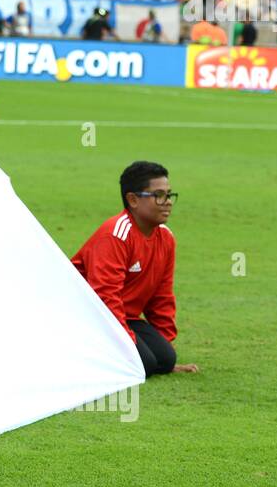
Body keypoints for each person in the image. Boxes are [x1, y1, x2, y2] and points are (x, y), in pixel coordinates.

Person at [71, 161, 199, 377]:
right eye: (158, 195)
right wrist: (130, 347)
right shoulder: (115, 234)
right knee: (146, 364)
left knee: (165, 359)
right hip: (88, 315)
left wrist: (164, 345)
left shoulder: (166, 238)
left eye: (169, 195)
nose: (167, 202)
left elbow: (162, 295)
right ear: (133, 199)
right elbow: (105, 296)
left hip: (124, 316)